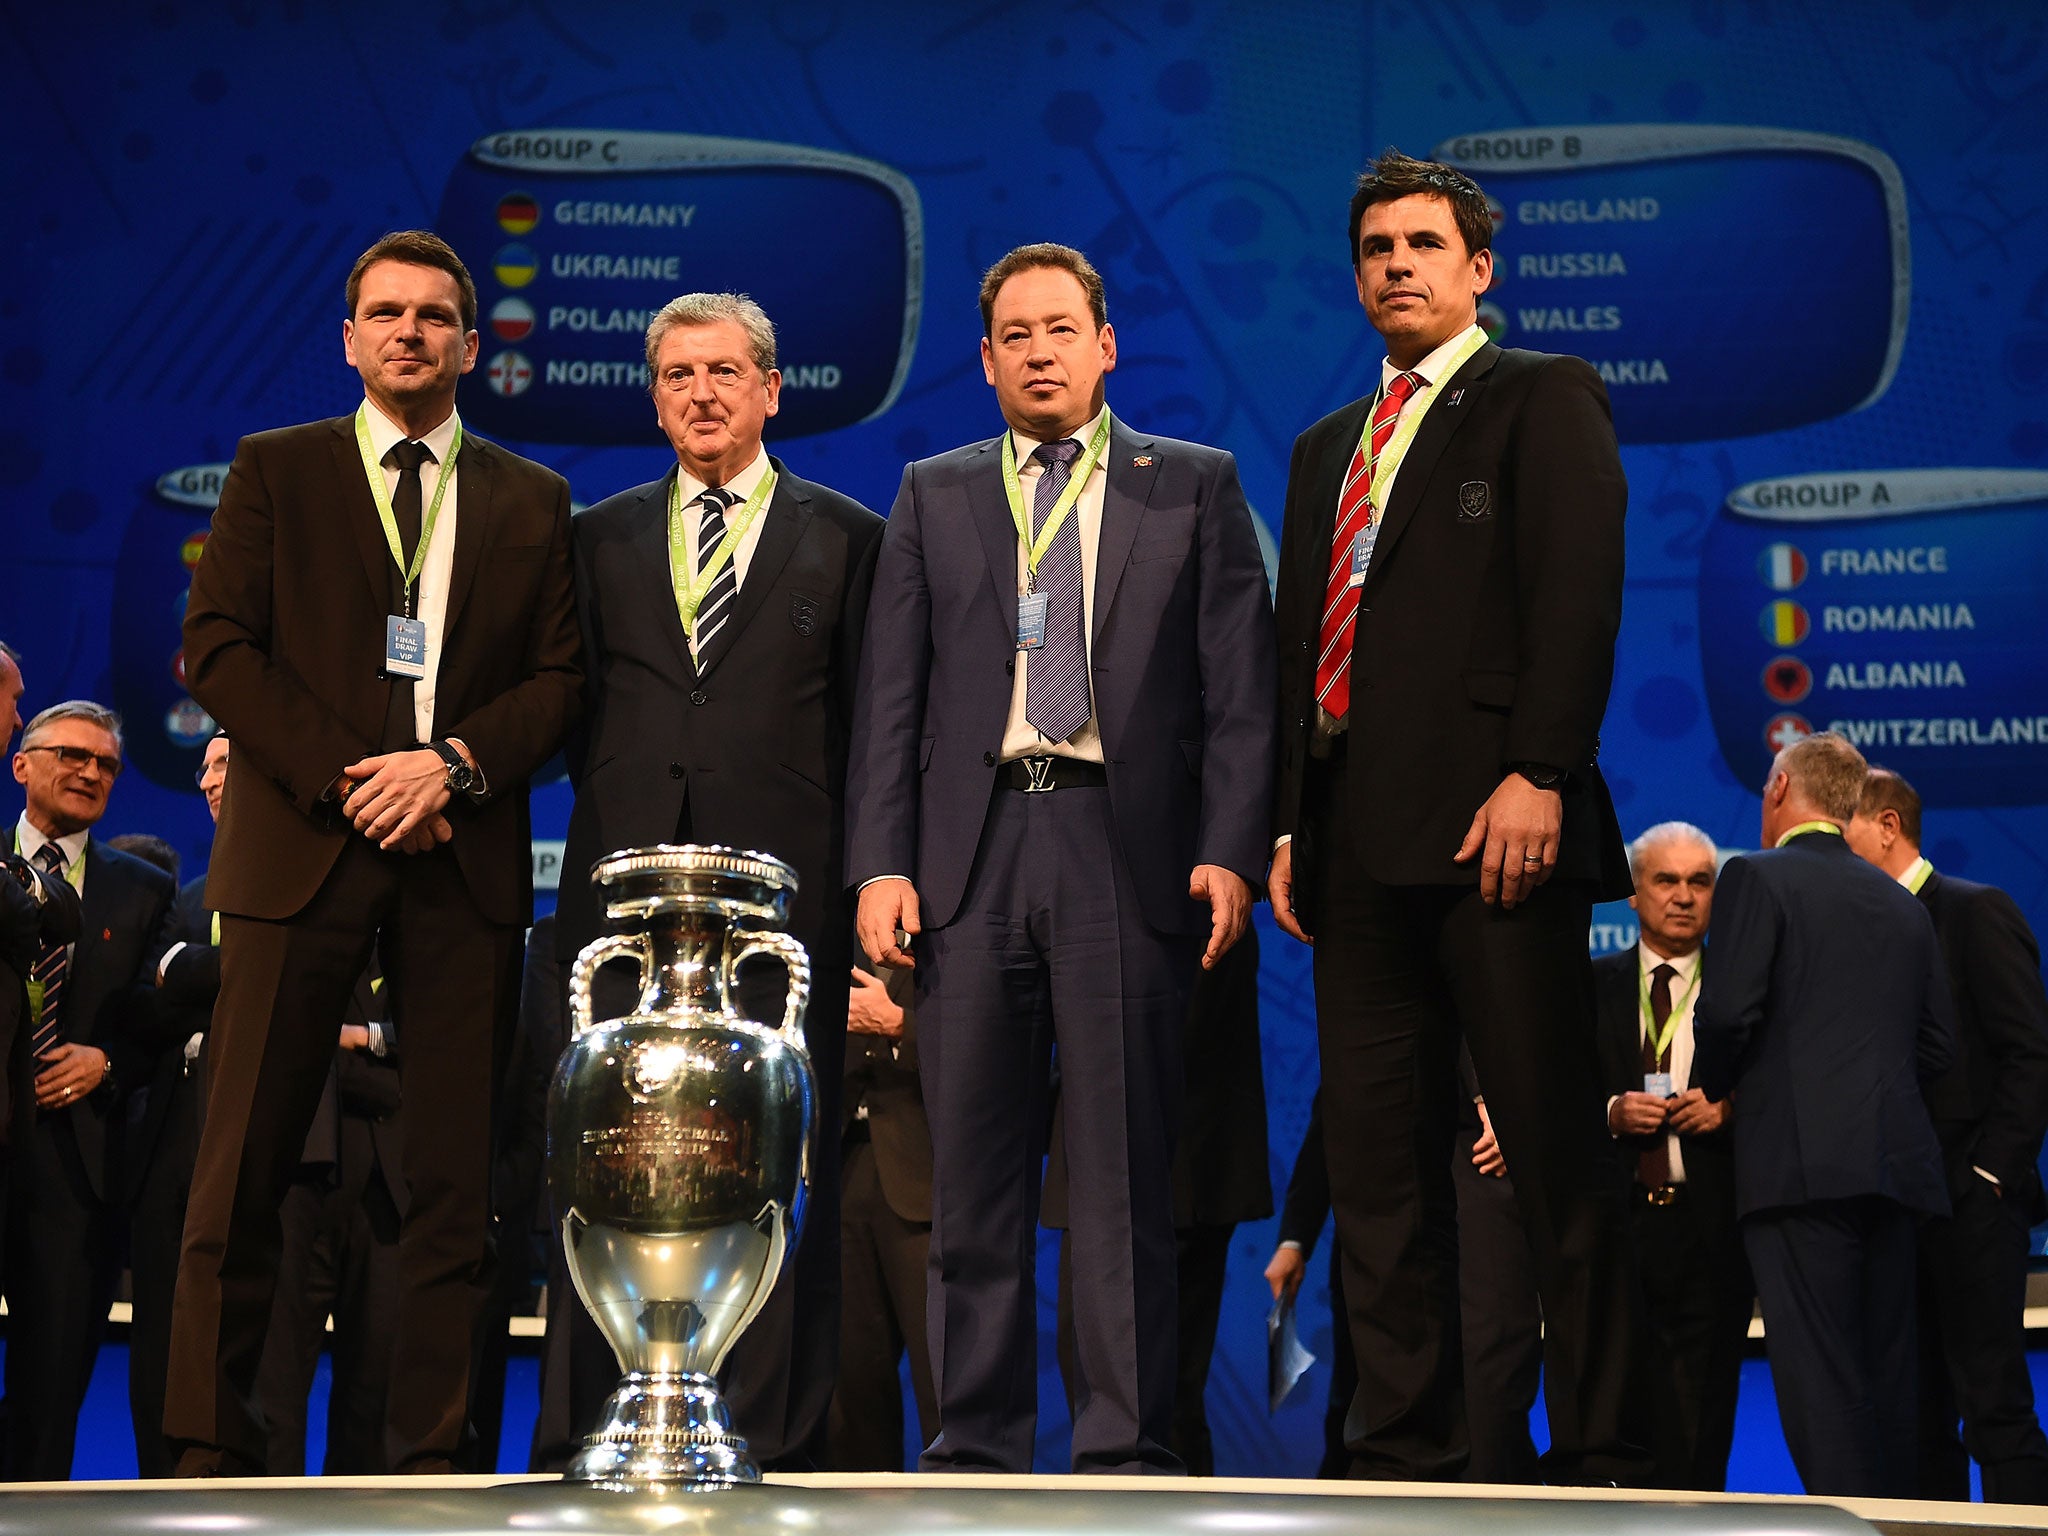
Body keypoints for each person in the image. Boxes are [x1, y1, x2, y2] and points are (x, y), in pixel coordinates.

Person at [847, 241, 1276, 1472]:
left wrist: (1229, 851)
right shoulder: (932, 493)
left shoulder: (1188, 483)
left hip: (1119, 852)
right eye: (1014, 336)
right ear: (984, 362)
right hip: (968, 863)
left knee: (1120, 1181)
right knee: (968, 1179)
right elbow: (894, 698)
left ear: (1105, 346)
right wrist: (881, 863)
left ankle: (1122, 1451)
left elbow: (1239, 693)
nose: (1038, 353)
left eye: (1059, 330)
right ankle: (975, 1448)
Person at [169, 229, 581, 1475]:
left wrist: (448, 764)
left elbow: (562, 682)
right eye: (387, 313)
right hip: (302, 845)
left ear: (471, 343)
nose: (410, 332)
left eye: (435, 315)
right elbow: (218, 645)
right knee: (238, 1169)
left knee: (456, 1183)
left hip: (459, 857)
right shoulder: (276, 471)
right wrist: (356, 777)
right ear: (349, 338)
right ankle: (206, 1447)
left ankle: (431, 1460)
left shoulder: (532, 497)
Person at [1265, 149, 1641, 1482]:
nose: (1399, 267)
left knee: (1545, 1153)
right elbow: (1298, 646)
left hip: (1499, 837)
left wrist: (1542, 768)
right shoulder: (1326, 450)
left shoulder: (1540, 398)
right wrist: (1288, 824)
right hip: (1356, 852)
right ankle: (1404, 1443)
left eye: (1425, 244)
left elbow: (1579, 592)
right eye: (1377, 248)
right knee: (1376, 1168)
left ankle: (1598, 1441)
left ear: (1480, 269)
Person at [551, 291, 883, 1469]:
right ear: (654, 395)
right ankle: (598, 1426)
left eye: (726, 371)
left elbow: (873, 731)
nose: (702, 392)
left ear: (770, 389)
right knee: (608, 1162)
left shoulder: (847, 534)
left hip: (782, 919)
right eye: (679, 374)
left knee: (774, 1170)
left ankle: (775, 1443)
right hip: (620, 910)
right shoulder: (598, 537)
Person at [1692, 731, 1953, 1498]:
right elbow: (1939, 1048)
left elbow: (1731, 1013)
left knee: (1823, 1380)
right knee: (1889, 1380)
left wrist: (1719, 1084)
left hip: (1798, 1173)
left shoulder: (1756, 877)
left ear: (1778, 791)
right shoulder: (1901, 900)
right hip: (1897, 1171)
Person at [1846, 768, 2048, 1503]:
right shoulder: (1859, 928)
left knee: (1993, 1407)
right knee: (1915, 1415)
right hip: (1894, 1210)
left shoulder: (1974, 911)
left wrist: (1992, 1176)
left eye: (1844, 831)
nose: (1832, 850)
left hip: (1973, 1205)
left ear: (1889, 826)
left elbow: (2030, 1053)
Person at [4, 700, 176, 1480]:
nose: (90, 773)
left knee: (50, 1394)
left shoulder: (141, 889)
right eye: (73, 755)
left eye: (106, 764)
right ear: (23, 764)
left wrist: (108, 1061)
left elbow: (156, 1019)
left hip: (79, 1173)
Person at [1046, 928, 1273, 1475]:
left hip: (1182, 1176)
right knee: (1088, 1374)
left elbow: (1177, 1030)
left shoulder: (1210, 883)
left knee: (1167, 1399)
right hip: (1098, 1167)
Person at [1595, 822, 1750, 1491]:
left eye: (1700, 881)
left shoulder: (1745, 990)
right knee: (1620, 1399)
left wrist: (1731, 1110)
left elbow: (1793, 1086)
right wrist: (1609, 1112)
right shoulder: (1589, 983)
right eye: (1666, 880)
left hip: (1712, 1222)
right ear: (1633, 892)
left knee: (1706, 1404)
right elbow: (1549, 1092)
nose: (1683, 896)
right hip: (1615, 1222)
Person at [825, 962, 934, 1471]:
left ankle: (961, 1513)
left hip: (930, 1170)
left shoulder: (965, 917)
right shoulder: (840, 916)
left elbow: (1004, 1035)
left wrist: (899, 1025)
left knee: (947, 1377)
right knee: (852, 1380)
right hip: (842, 1161)